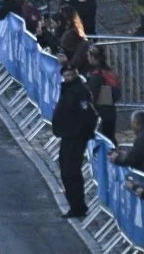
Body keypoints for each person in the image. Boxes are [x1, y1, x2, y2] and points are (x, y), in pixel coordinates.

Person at [52, 58, 98, 219]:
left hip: (75, 138)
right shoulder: (68, 89)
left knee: (71, 172)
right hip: (67, 136)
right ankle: (75, 205)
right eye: (66, 75)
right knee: (66, 170)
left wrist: (79, 132)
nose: (68, 78)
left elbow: (89, 115)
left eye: (71, 75)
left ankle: (78, 206)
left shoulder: (80, 91)